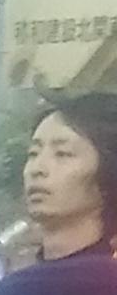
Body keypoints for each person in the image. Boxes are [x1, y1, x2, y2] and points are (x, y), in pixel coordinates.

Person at [20, 92, 117, 264]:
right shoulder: (27, 278)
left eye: (63, 154)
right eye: (33, 153)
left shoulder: (107, 275)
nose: (37, 169)